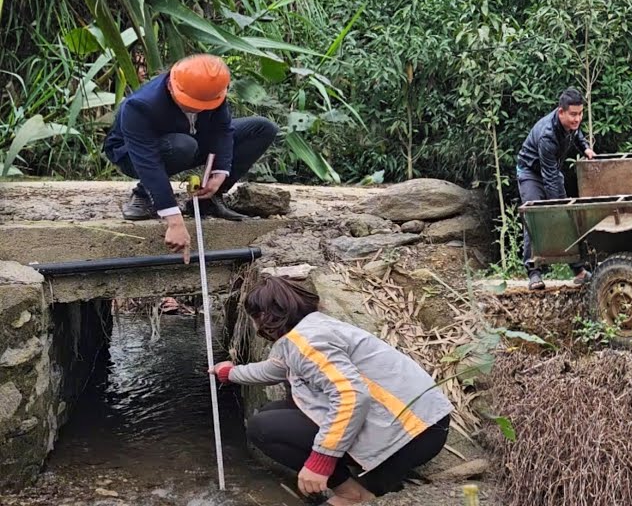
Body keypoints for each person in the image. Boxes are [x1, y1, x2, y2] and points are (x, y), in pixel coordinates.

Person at [213, 276, 452, 506]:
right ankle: (365, 472)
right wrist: (230, 373)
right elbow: (274, 369)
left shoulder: (307, 342)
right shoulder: (312, 328)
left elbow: (351, 396)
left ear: (265, 316)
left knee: (263, 428)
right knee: (274, 412)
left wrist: (321, 461)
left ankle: (352, 493)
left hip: (409, 437)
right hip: (422, 424)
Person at [103, 54, 278, 260]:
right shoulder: (140, 105)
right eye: (192, 103)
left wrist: (220, 171)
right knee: (183, 146)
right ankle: (144, 194)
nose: (198, 108)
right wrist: (175, 222)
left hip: (189, 138)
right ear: (172, 87)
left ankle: (209, 198)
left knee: (261, 128)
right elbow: (147, 160)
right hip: (133, 154)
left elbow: (223, 131)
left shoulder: (212, 92)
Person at [516, 88, 597, 290]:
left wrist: (586, 148)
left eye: (580, 114)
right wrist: (559, 207)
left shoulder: (571, 125)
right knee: (535, 218)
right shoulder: (547, 135)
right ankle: (534, 272)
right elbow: (550, 177)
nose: (577, 119)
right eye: (573, 114)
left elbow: (576, 134)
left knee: (567, 218)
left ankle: (578, 270)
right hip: (530, 173)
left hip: (550, 171)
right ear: (561, 112)